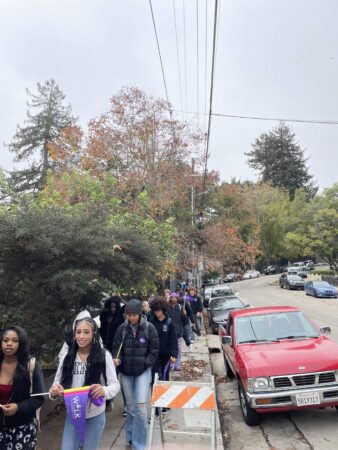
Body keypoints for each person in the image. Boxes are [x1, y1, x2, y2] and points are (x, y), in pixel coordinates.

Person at [49, 317, 120, 450]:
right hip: (73, 415)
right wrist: (54, 392)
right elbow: (56, 385)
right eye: (78, 332)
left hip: (95, 415)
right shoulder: (67, 357)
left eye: (86, 332)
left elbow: (115, 385)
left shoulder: (104, 356)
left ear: (94, 334)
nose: (81, 336)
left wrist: (104, 390)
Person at [113, 299, 159, 450]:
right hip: (125, 373)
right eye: (129, 315)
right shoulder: (122, 329)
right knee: (131, 408)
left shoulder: (149, 328)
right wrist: (117, 359)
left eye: (134, 314)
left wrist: (146, 363)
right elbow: (115, 348)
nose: (131, 318)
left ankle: (140, 444)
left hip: (142, 372)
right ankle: (130, 440)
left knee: (140, 408)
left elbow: (154, 349)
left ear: (140, 314)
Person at [0, 326, 45, 450]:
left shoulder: (31, 366)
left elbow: (39, 398)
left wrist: (18, 407)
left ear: (22, 344)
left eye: (15, 340)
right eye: (5, 340)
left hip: (22, 430)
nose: (9, 344)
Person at [148, 297, 178, 381]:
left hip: (166, 355)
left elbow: (173, 340)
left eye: (158, 310)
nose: (157, 312)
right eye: (155, 310)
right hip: (154, 354)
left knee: (165, 376)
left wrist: (174, 354)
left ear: (163, 309)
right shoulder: (151, 322)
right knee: (154, 377)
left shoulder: (169, 322)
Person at [167, 293, 185, 371]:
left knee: (179, 350)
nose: (174, 299)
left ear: (177, 299)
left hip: (178, 333)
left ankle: (177, 365)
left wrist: (184, 315)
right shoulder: (167, 308)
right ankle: (171, 364)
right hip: (169, 333)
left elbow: (185, 320)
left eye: (175, 297)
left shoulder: (180, 307)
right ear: (170, 298)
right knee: (171, 350)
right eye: (172, 297)